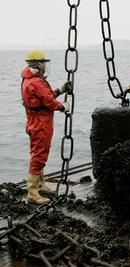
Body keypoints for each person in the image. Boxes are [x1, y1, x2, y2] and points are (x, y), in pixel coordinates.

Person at [21, 49, 71, 204]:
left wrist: (59, 90)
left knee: (39, 153)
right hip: (41, 123)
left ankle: (40, 184)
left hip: (33, 121)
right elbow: (49, 102)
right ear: (38, 65)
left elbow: (44, 98)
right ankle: (32, 192)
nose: (45, 67)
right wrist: (63, 107)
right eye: (43, 64)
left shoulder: (28, 80)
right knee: (39, 156)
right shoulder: (36, 82)